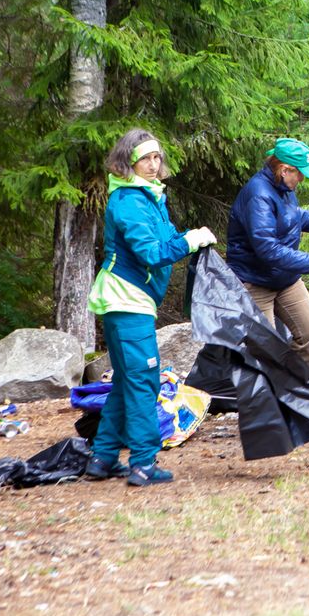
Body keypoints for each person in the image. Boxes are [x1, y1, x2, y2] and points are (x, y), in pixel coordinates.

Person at [86, 128, 217, 486]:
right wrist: (189, 242)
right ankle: (143, 462)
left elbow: (169, 239)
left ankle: (103, 458)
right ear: (128, 162)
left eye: (157, 157)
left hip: (130, 300)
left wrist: (191, 236)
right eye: (145, 158)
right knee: (144, 379)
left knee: (128, 380)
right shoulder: (128, 201)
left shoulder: (150, 198)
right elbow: (151, 254)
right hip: (125, 300)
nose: (153, 164)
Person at [226, 138, 309, 367]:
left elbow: (292, 215)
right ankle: (266, 396)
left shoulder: (284, 187)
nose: (302, 179)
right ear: (284, 169)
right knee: (266, 349)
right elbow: (267, 248)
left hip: (284, 278)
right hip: (254, 280)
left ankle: (293, 389)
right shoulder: (258, 194)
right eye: (300, 173)